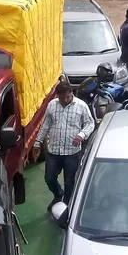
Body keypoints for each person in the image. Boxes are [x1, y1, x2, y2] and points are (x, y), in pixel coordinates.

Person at [32, 81, 94, 209]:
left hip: (72, 152)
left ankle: (66, 205)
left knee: (69, 182)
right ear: (57, 96)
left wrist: (81, 135)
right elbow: (45, 125)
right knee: (49, 178)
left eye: (67, 96)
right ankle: (58, 194)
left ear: (72, 93)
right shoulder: (52, 105)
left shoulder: (81, 106)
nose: (65, 100)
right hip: (54, 151)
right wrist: (37, 143)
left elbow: (90, 124)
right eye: (62, 98)